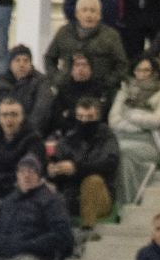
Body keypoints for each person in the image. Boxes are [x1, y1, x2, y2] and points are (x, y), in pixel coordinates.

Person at [49, 95, 120, 227]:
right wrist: (54, 169)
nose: (84, 121)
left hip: (101, 195)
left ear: (98, 116)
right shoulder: (68, 139)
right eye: (80, 116)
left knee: (92, 181)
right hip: (71, 194)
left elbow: (109, 164)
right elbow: (58, 163)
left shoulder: (107, 137)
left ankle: (88, 230)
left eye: (89, 117)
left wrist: (76, 168)